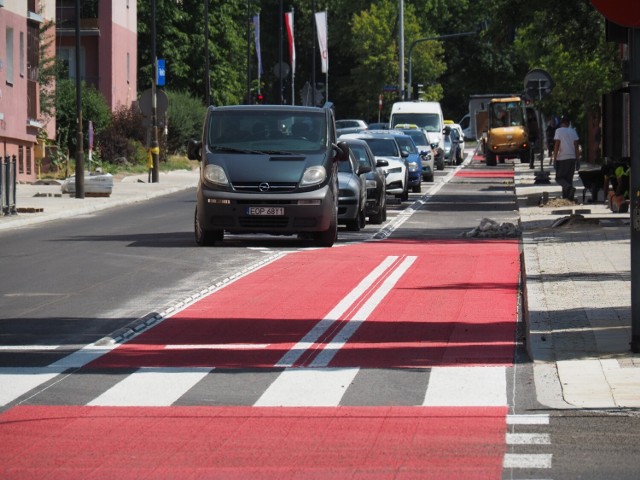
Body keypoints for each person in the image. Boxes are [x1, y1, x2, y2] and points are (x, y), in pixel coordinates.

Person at [553, 116, 580, 200]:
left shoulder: (558, 131)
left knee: (559, 178)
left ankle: (569, 189)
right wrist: (578, 160)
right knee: (568, 179)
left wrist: (554, 159)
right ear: (568, 123)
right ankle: (568, 198)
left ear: (561, 123)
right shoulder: (573, 131)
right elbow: (576, 147)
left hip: (562, 158)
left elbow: (557, 145)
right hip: (572, 158)